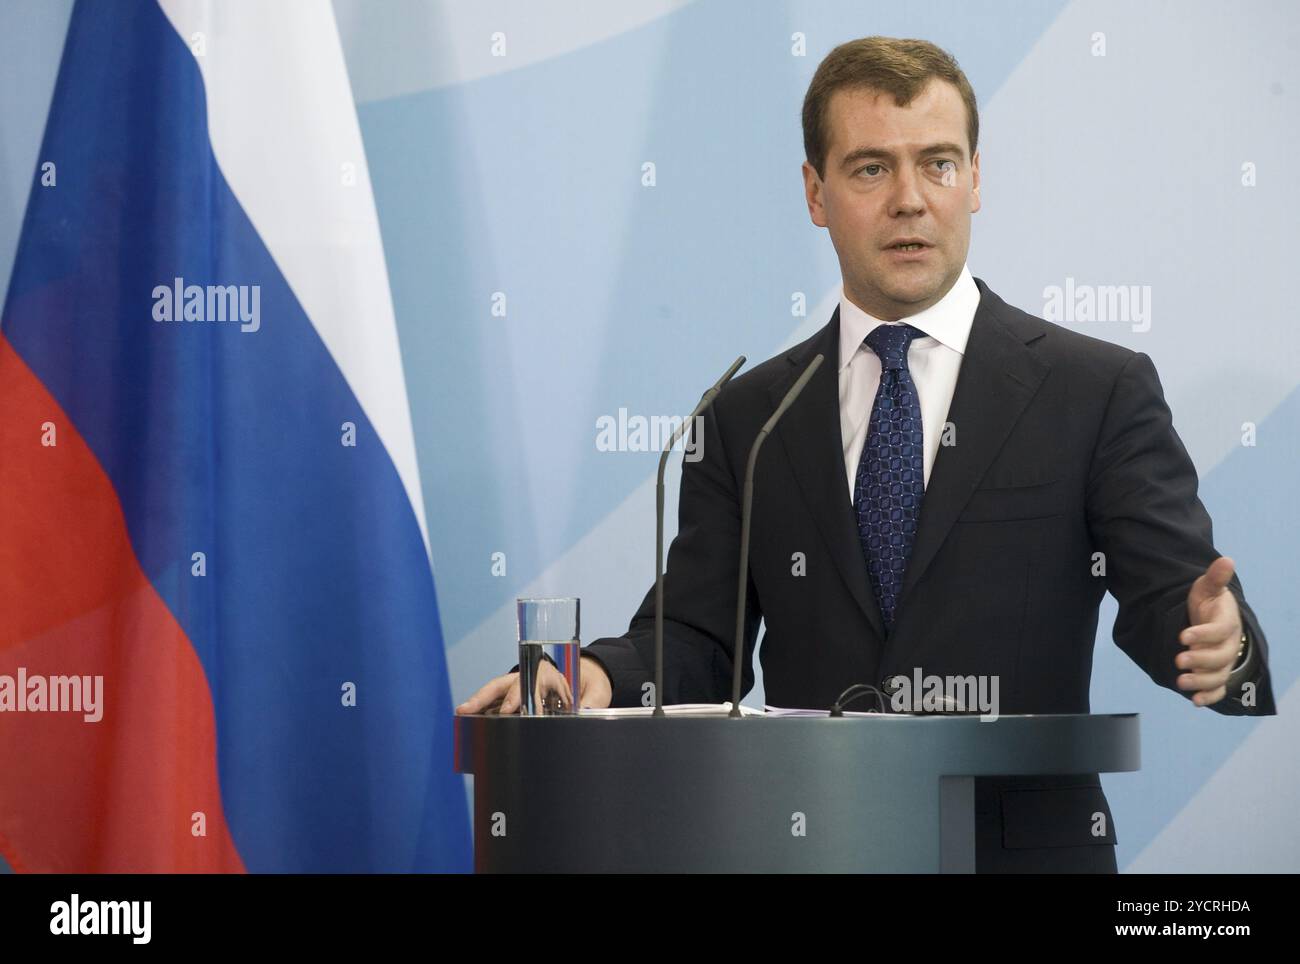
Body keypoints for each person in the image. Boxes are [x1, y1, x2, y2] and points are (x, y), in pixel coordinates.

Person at [457, 36, 1275, 872]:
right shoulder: (748, 416)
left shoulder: (1093, 390)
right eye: (871, 169)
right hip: (808, 848)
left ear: (977, 180)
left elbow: (1174, 593)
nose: (911, 201)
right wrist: (594, 679)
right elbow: (700, 638)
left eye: (940, 164)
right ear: (816, 193)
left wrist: (1221, 642)